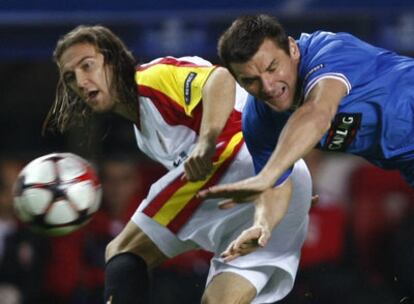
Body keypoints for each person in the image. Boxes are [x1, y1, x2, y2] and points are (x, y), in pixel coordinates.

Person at [42, 25, 312, 303]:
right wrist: (288, 189)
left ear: (113, 59)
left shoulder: (151, 79)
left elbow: (220, 79)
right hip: (282, 185)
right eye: (71, 77)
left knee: (124, 250)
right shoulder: (144, 136)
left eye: (88, 65)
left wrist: (207, 143)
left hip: (236, 155)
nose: (82, 82)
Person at [200, 13, 414, 235]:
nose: (268, 87)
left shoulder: (330, 51)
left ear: (292, 49)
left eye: (272, 68)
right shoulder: (259, 122)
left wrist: (266, 176)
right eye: (250, 80)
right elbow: (276, 188)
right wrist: (264, 225)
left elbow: (318, 112)